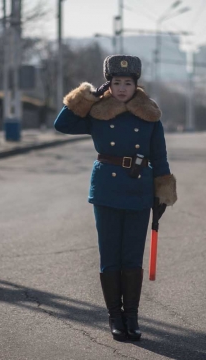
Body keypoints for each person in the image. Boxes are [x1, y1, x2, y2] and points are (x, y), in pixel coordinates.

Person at [54, 55, 177, 341]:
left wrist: (163, 192)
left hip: (139, 190)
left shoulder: (150, 115)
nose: (122, 88)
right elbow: (62, 124)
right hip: (106, 189)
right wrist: (87, 96)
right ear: (108, 85)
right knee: (110, 255)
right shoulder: (98, 111)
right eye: (116, 82)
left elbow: (159, 156)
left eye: (128, 83)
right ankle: (115, 317)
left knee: (131, 257)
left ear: (137, 85)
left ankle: (131, 317)